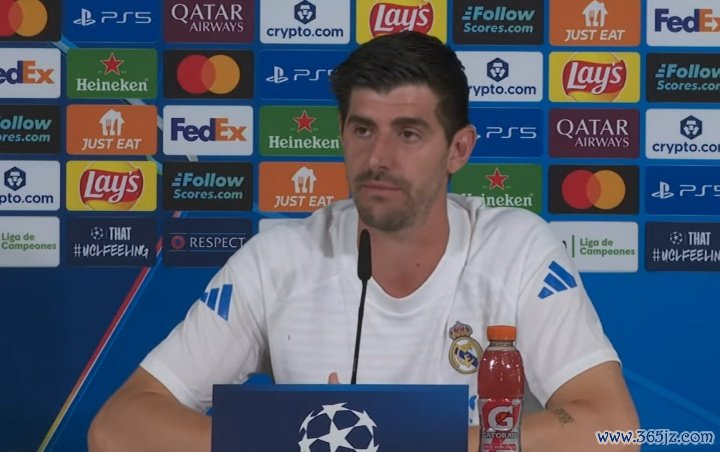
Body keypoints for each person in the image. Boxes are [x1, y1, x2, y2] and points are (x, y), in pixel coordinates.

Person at [88, 31, 639, 452]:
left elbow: (612, 430)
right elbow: (118, 426)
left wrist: (396, 440)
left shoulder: (516, 249)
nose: (378, 158)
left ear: (459, 150)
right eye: (362, 129)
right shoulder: (277, 260)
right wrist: (303, 440)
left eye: (408, 133)